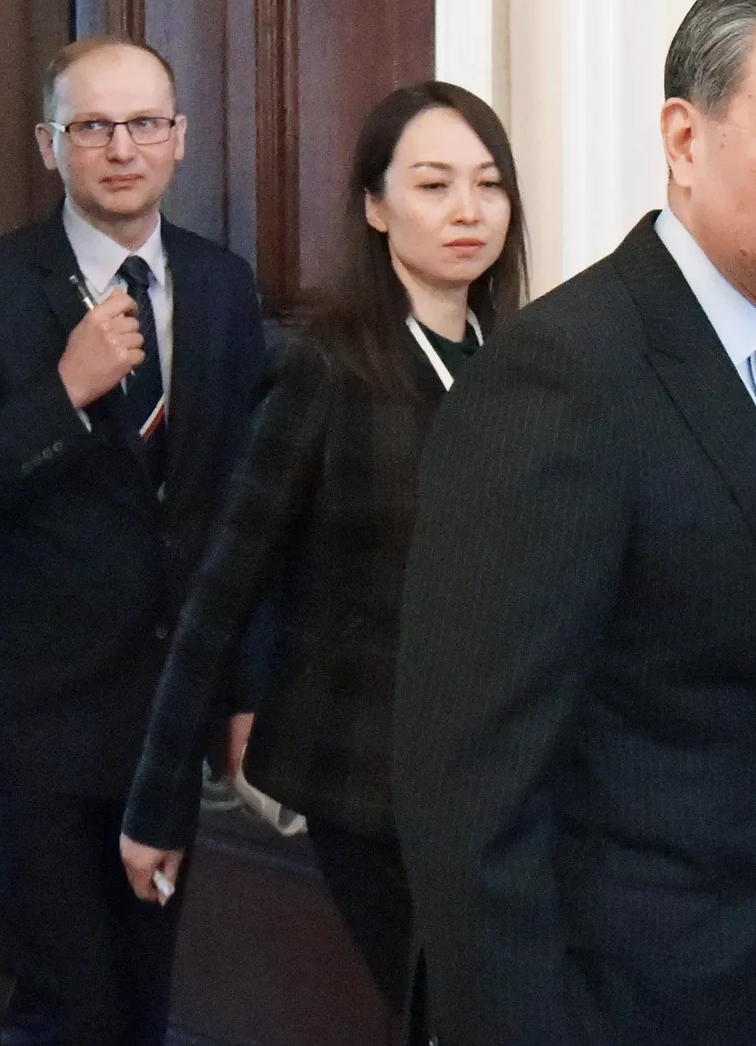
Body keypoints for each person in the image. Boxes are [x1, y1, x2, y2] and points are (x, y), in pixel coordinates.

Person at [393, 0, 756, 1045]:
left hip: (741, 982)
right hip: (599, 1004)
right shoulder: (562, 378)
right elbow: (469, 793)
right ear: (684, 139)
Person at [115, 81, 528, 1015]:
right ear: (376, 207)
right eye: (434, 185)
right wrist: (157, 801)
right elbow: (222, 592)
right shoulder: (325, 365)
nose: (468, 211)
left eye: (489, 184)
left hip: (501, 774)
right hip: (370, 780)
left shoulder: (524, 360)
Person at [0, 37, 267, 1044]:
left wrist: (243, 691)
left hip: (164, 724)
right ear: (49, 144)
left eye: (145, 123)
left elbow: (238, 510)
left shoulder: (221, 286)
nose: (122, 148)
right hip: (27, 728)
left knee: (143, 1007)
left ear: (179, 139)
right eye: (93, 127)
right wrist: (62, 394)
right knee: (64, 1011)